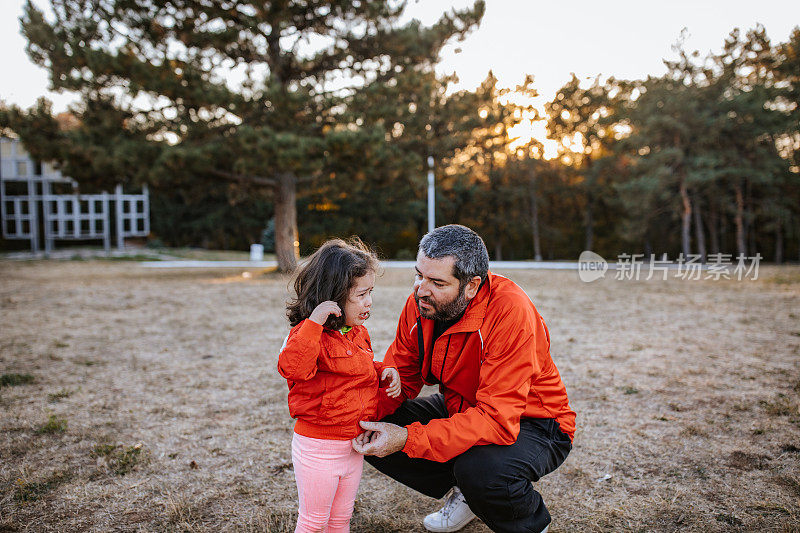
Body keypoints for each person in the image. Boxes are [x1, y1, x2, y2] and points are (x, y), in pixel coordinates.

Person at [352, 225, 575, 533]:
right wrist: (351, 413)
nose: (421, 289)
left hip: (536, 421)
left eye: (437, 282)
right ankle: (468, 493)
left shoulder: (511, 312)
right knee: (364, 420)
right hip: (462, 405)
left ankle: (527, 524)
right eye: (419, 275)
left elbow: (497, 419)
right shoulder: (421, 302)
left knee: (482, 472)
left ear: (472, 285)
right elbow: (401, 373)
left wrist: (407, 438)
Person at [278, 238, 402, 533]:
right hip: (318, 449)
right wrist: (314, 323)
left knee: (340, 519)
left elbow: (356, 370)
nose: (369, 301)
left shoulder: (357, 332)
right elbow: (293, 369)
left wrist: (384, 371)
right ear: (331, 297)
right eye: (361, 295)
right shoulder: (308, 336)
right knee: (314, 522)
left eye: (370, 292)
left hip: (351, 446)